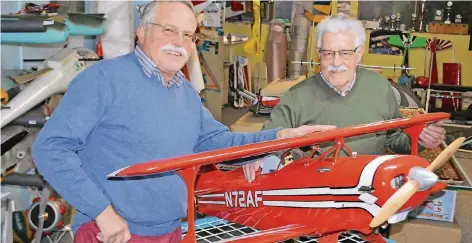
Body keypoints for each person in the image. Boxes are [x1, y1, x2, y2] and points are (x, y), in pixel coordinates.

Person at [31, 1, 336, 243]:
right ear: (142, 31)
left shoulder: (183, 90)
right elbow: (50, 149)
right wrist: (102, 212)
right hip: (115, 233)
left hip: (171, 231)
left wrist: (284, 137)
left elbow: (218, 144)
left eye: (188, 35)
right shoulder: (103, 79)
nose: (179, 42)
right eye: (168, 30)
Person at [242, 14, 446, 182]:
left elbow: (393, 139)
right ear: (318, 53)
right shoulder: (297, 96)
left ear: (360, 53)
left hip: (370, 186)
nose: (335, 62)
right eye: (327, 53)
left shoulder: (379, 87)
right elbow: (269, 140)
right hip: (317, 191)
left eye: (345, 53)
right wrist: (258, 156)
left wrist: (420, 139)